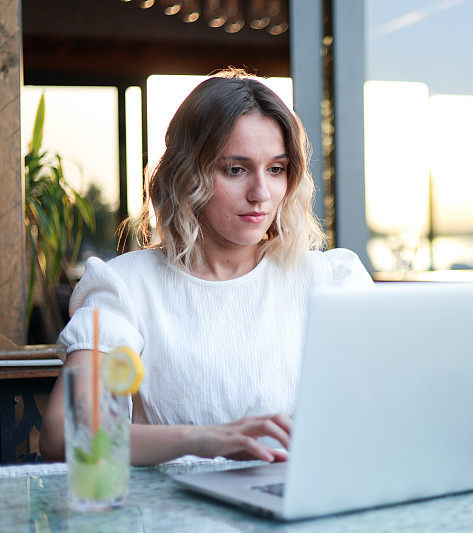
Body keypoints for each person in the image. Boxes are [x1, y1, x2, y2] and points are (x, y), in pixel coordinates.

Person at [39, 70, 373, 466]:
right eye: (235, 169)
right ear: (187, 173)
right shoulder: (127, 288)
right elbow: (66, 432)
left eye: (276, 169)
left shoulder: (330, 280)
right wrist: (204, 439)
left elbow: (390, 405)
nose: (260, 194)